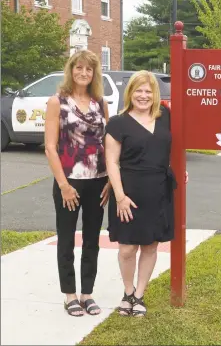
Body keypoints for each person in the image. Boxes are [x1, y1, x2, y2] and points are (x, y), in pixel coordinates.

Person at [105, 70, 187, 317]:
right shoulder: (118, 123)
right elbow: (111, 162)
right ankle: (127, 292)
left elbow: (176, 145)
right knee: (127, 248)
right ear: (130, 93)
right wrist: (119, 196)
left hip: (159, 190)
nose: (143, 96)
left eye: (148, 91)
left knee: (151, 245)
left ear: (155, 95)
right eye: (138, 90)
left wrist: (181, 169)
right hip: (128, 193)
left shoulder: (165, 117)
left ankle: (139, 295)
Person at [45, 50, 111, 317]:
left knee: (93, 240)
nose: (83, 73)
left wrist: (109, 180)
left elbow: (108, 143)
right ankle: (70, 295)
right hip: (69, 183)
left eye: (89, 69)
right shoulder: (57, 102)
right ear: (71, 70)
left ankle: (87, 294)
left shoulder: (100, 102)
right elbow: (50, 147)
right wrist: (63, 185)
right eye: (79, 68)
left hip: (98, 182)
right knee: (66, 239)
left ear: (94, 74)